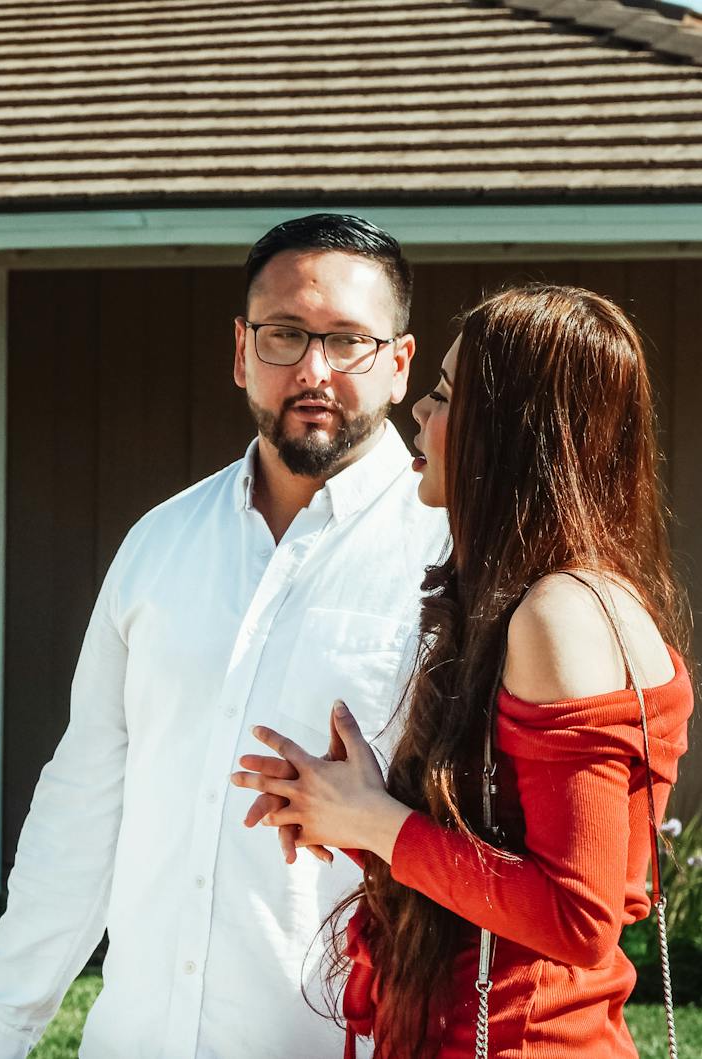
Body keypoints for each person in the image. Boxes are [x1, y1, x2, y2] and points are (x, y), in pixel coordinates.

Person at [0, 213, 450, 1058]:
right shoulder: (159, 545)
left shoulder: (452, 556)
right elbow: (84, 804)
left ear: (398, 365)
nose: (314, 370)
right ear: (242, 351)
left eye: (348, 341)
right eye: (285, 335)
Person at [234, 284, 692, 1057]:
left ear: (510, 433)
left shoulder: (561, 614)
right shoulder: (553, 596)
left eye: (445, 394)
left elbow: (578, 920)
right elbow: (498, 844)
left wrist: (376, 822)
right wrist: (349, 809)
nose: (419, 410)